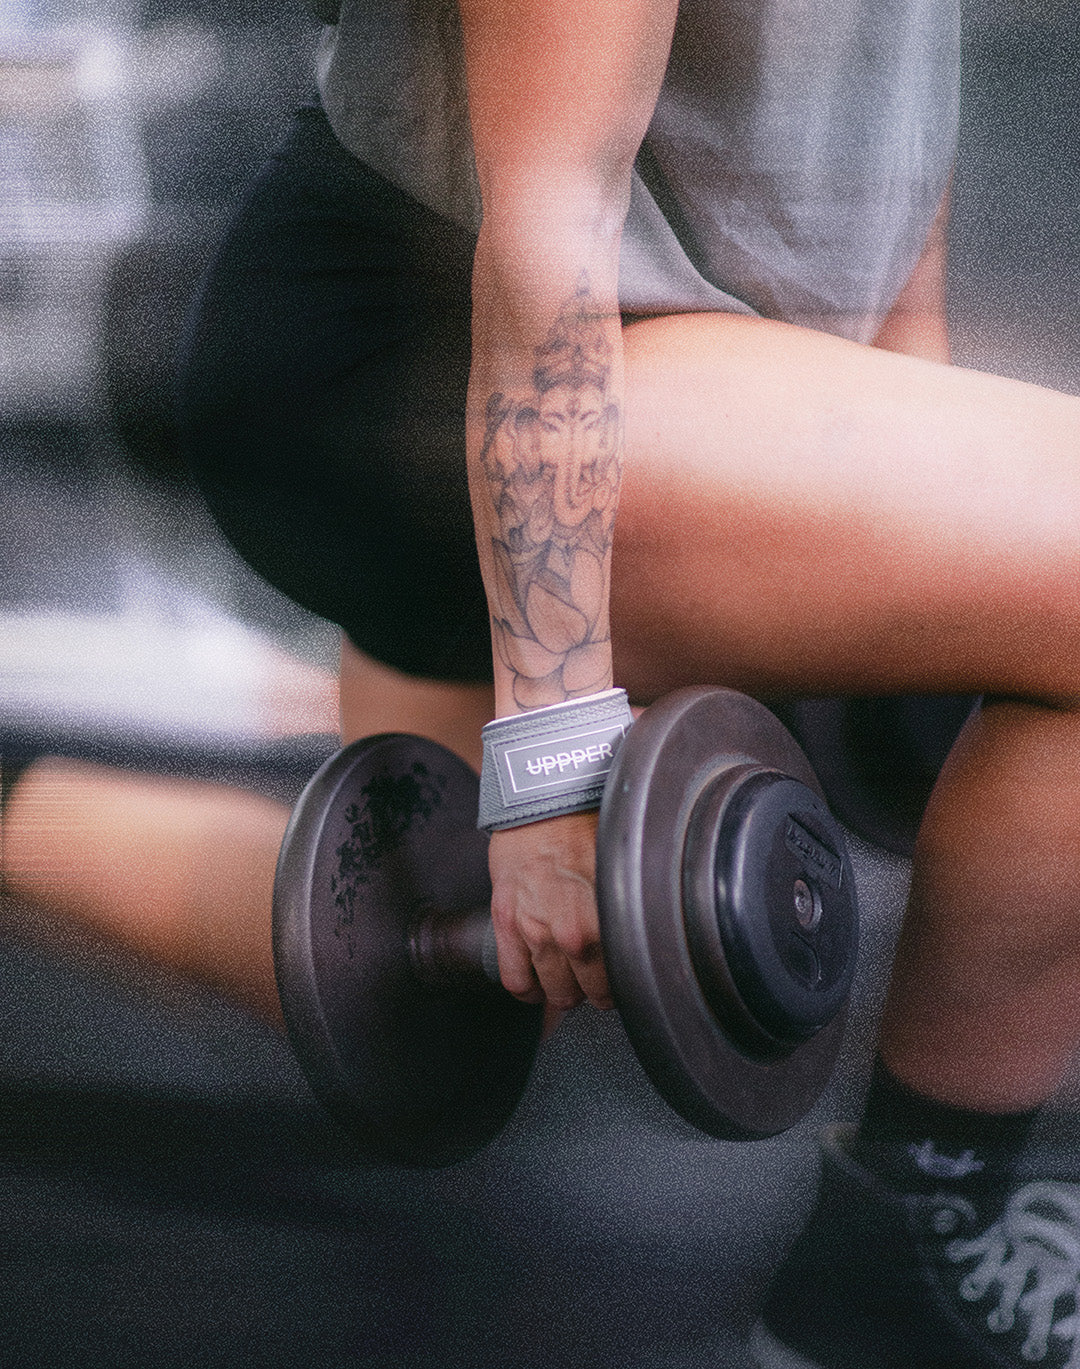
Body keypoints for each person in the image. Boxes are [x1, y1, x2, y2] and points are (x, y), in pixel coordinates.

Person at [7, 0, 1080, 1363]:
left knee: (411, 938)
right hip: (428, 370)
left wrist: (904, 420)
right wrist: (557, 747)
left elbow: (886, 85)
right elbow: (549, 225)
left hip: (653, 362)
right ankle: (899, 1271)